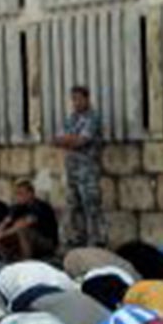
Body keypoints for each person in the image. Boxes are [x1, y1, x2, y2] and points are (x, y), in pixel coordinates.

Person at [52, 84, 106, 249]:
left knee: (91, 206)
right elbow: (56, 140)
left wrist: (69, 140)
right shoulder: (72, 118)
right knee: (74, 207)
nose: (75, 102)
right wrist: (70, 140)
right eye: (73, 99)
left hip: (88, 170)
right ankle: (79, 240)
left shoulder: (93, 118)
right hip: (73, 170)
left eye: (78, 99)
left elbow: (81, 141)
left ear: (86, 99)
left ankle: (95, 241)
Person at [0, 179, 60, 264]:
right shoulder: (17, 208)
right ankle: (5, 261)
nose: (18, 197)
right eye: (17, 194)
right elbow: (5, 222)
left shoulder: (40, 206)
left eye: (21, 194)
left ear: (30, 194)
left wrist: (2, 235)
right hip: (27, 240)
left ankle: (27, 262)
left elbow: (23, 224)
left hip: (46, 241)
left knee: (22, 231)